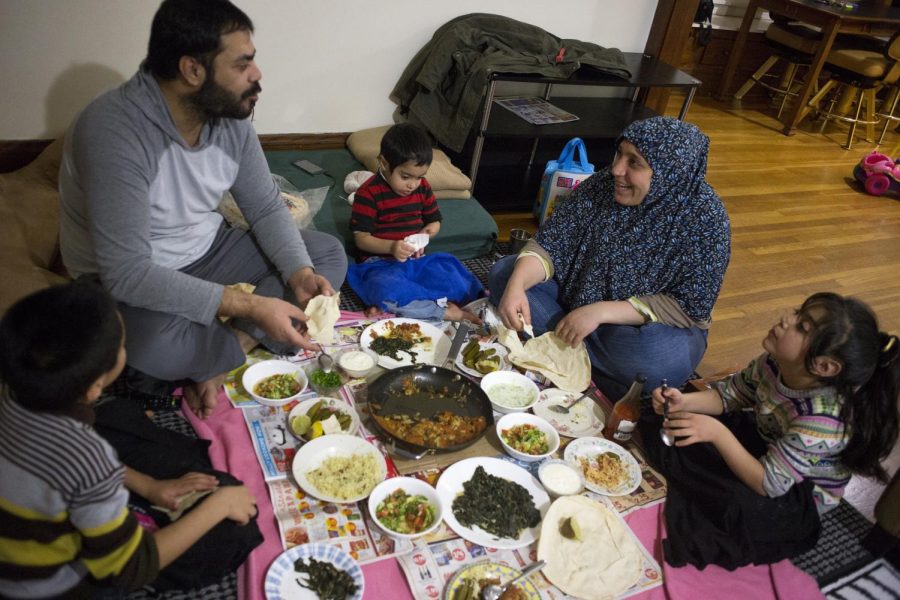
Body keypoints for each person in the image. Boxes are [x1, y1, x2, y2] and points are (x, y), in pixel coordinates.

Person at [58, 0, 348, 419]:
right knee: (155, 345)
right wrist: (249, 307)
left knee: (324, 256)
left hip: (208, 249)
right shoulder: (114, 131)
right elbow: (126, 272)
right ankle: (236, 344)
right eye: (242, 64)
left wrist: (300, 273)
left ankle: (222, 356)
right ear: (192, 70)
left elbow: (265, 206)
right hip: (126, 275)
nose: (257, 74)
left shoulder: (228, 116)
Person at [0, 281, 259, 598]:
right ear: (95, 387)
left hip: (31, 513)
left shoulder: (11, 390)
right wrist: (219, 506)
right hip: (54, 586)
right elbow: (130, 568)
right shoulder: (86, 457)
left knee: (119, 415)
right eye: (122, 346)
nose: (126, 349)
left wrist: (147, 485)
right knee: (233, 516)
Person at [638, 292, 900, 570]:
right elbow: (732, 395)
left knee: (736, 511)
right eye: (798, 312)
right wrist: (683, 401)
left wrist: (717, 434)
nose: (787, 318)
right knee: (667, 424)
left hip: (795, 494)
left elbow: (768, 484)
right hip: (767, 444)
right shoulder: (773, 363)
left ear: (824, 366)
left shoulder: (824, 421)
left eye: (802, 327)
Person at [489, 116, 731, 399]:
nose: (616, 169)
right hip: (576, 302)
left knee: (660, 360)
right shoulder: (602, 185)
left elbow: (688, 306)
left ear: (669, 172)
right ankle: (582, 352)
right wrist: (517, 286)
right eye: (620, 154)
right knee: (506, 273)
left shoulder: (706, 220)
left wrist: (599, 312)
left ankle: (563, 343)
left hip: (634, 328)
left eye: (634, 162)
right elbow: (552, 242)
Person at [348, 122, 482, 323]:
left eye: (419, 177)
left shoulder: (422, 187)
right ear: (384, 163)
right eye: (405, 176)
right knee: (385, 290)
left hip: (416, 260)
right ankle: (443, 311)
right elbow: (361, 239)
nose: (412, 184)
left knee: (455, 275)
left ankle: (435, 304)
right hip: (379, 265)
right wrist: (392, 247)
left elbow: (434, 220)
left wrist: (428, 233)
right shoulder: (368, 193)